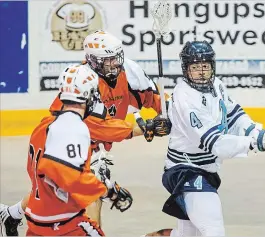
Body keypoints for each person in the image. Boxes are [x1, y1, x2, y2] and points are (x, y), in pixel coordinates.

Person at [0, 30, 171, 235]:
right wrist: (141, 129)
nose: (115, 64)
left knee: (52, 190)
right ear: (93, 61)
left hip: (85, 147)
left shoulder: (129, 71)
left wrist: (169, 113)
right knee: (84, 193)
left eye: (116, 57)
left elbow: (154, 97)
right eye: (108, 60)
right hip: (76, 146)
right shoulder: (83, 83)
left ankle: (11, 214)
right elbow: (96, 125)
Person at [143, 41, 265, 236]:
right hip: (186, 170)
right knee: (213, 230)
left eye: (205, 67)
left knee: (189, 234)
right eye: (195, 68)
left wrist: (257, 132)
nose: (201, 72)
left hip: (205, 168)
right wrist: (254, 143)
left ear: (212, 66)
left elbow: (234, 115)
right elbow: (215, 143)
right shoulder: (186, 98)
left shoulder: (217, 85)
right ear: (186, 69)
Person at [22, 64, 132, 236]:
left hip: (36, 221)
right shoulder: (75, 127)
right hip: (63, 224)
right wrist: (107, 190)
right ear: (88, 95)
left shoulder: (44, 125)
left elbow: (37, 170)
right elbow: (67, 175)